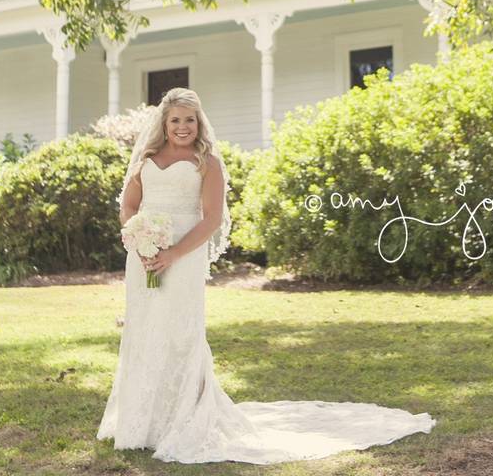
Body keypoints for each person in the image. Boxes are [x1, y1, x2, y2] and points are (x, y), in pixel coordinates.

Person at [96, 87, 436, 464]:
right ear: (163, 122)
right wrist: (138, 234)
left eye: (189, 120)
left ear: (199, 123)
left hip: (184, 255)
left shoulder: (206, 162)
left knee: (179, 333)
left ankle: (184, 419)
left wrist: (172, 253)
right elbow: (128, 205)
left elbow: (210, 219)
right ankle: (141, 424)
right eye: (175, 120)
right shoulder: (146, 157)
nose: (182, 127)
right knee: (145, 332)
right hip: (143, 256)